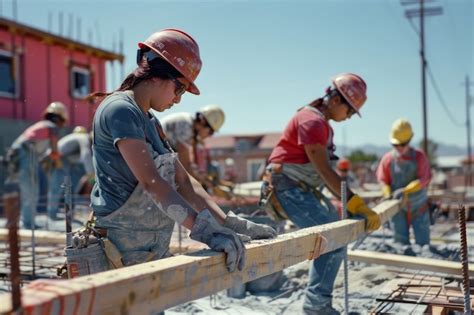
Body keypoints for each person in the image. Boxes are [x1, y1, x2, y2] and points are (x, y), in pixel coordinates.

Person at [87, 29, 276, 273]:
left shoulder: (151, 122)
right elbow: (151, 182)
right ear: (157, 74)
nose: (178, 100)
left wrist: (227, 222)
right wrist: (205, 231)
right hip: (119, 248)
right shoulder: (120, 110)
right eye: (179, 89)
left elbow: (185, 182)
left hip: (149, 246)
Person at [260, 73, 381, 314]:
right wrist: (355, 202)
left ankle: (318, 302)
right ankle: (316, 307)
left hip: (299, 187)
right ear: (336, 100)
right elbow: (324, 171)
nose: (348, 118)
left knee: (335, 233)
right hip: (287, 187)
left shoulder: (320, 123)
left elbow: (322, 173)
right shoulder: (311, 122)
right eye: (349, 111)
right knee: (333, 240)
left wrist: (349, 203)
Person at [8, 102, 68, 229]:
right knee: (31, 191)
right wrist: (58, 165)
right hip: (25, 155)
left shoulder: (43, 125)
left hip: (21, 155)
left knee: (29, 190)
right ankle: (27, 223)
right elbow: (54, 150)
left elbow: (43, 150)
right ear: (60, 118)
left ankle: (26, 221)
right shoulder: (52, 126)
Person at [376, 118, 432, 245]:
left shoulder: (419, 157)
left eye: (403, 144)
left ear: (409, 140)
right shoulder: (388, 159)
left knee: (423, 244)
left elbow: (424, 179)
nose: (399, 148)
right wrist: (387, 194)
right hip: (398, 208)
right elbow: (383, 180)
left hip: (419, 206)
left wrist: (406, 190)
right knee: (400, 244)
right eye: (396, 145)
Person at [161, 104, 225, 185]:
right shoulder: (185, 126)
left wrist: (199, 175)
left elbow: (190, 162)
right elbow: (185, 165)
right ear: (203, 122)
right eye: (210, 132)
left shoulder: (190, 127)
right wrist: (202, 181)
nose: (209, 136)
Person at [47, 126, 94, 220]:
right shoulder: (84, 138)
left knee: (71, 186)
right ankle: (52, 213)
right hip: (59, 158)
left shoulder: (78, 139)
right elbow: (86, 155)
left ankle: (69, 212)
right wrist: (92, 176)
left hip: (66, 160)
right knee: (57, 186)